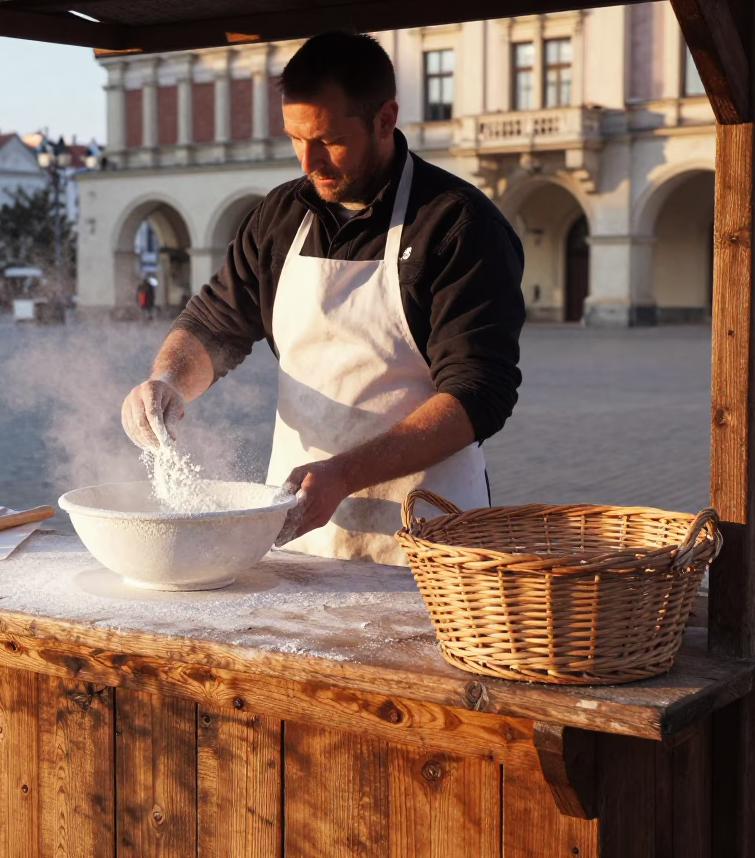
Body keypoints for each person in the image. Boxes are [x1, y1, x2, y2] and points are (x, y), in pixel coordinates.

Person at [121, 32, 525, 565]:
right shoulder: (278, 217)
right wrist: (168, 379)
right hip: (299, 535)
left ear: (385, 118)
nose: (309, 162)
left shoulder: (457, 225)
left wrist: (344, 474)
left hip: (429, 542)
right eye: (295, 138)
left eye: (329, 140)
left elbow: (479, 395)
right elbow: (214, 325)